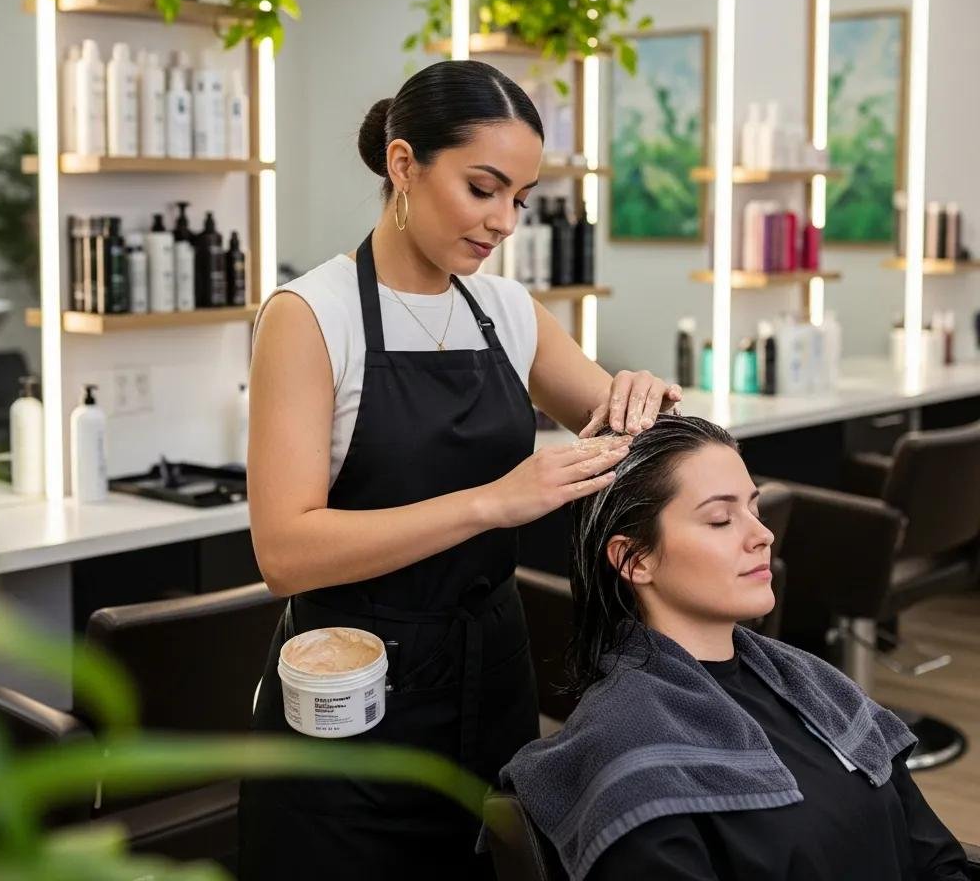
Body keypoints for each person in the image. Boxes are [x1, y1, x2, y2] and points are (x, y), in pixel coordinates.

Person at [237, 59, 681, 879]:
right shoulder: (310, 317)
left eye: (520, 197)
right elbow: (285, 552)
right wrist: (491, 503)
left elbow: (628, 429)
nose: (505, 220)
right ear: (404, 165)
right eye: (484, 189)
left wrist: (649, 400)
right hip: (352, 691)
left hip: (490, 677)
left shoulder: (509, 311)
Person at [501, 415, 969, 881]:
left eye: (754, 509)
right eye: (721, 519)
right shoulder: (627, 750)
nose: (763, 536)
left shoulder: (814, 684)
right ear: (635, 559)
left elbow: (935, 858)